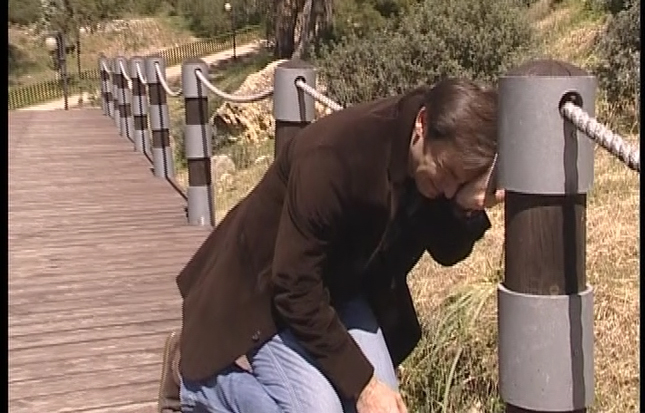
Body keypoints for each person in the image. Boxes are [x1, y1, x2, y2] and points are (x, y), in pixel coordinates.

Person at [158, 78, 505, 413]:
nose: (448, 190)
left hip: (339, 288)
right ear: (422, 124)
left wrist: (467, 208)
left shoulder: (434, 161)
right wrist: (364, 385)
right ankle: (191, 382)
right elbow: (293, 286)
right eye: (447, 174)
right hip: (267, 289)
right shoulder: (336, 155)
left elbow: (446, 251)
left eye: (459, 182)